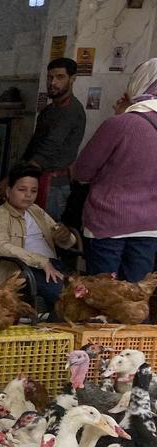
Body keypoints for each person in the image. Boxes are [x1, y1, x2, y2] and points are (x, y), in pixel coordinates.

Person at [72, 58, 157, 281]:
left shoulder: (120, 124)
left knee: (103, 295)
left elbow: (82, 171)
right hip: (150, 225)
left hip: (108, 223)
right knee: (134, 296)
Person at [0, 163, 76, 312]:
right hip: (26, 270)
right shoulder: (0, 216)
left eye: (33, 191)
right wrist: (41, 261)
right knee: (66, 298)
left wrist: (65, 236)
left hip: (53, 265)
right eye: (22, 190)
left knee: (86, 290)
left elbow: (66, 240)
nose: (28, 195)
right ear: (8, 191)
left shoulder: (35, 210)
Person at [16, 58, 86, 218]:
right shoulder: (49, 110)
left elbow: (48, 149)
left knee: (48, 230)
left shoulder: (71, 111)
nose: (53, 82)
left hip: (54, 184)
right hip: (35, 177)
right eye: (50, 77)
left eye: (60, 77)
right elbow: (34, 145)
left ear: (73, 79)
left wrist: (17, 179)